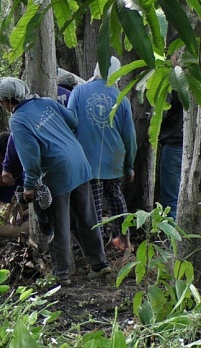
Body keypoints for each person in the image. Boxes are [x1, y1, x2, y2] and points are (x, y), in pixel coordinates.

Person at [0, 77, 110, 286]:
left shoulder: (18, 120)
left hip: (57, 170)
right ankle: (100, 265)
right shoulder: (46, 102)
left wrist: (29, 185)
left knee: (59, 223)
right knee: (86, 217)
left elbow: (31, 155)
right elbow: (73, 121)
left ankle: (61, 274)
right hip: (79, 160)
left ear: (5, 101)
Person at [67, 56, 137, 252]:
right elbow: (129, 135)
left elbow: (70, 123)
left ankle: (98, 250)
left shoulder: (79, 91)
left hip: (85, 161)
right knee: (115, 197)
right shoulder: (121, 97)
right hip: (114, 159)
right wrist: (129, 164)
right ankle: (125, 241)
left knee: (93, 203)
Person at [158, 50, 184, 220]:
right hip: (192, 149)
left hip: (174, 145)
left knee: (172, 202)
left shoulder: (172, 81)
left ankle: (173, 245)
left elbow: (162, 111)